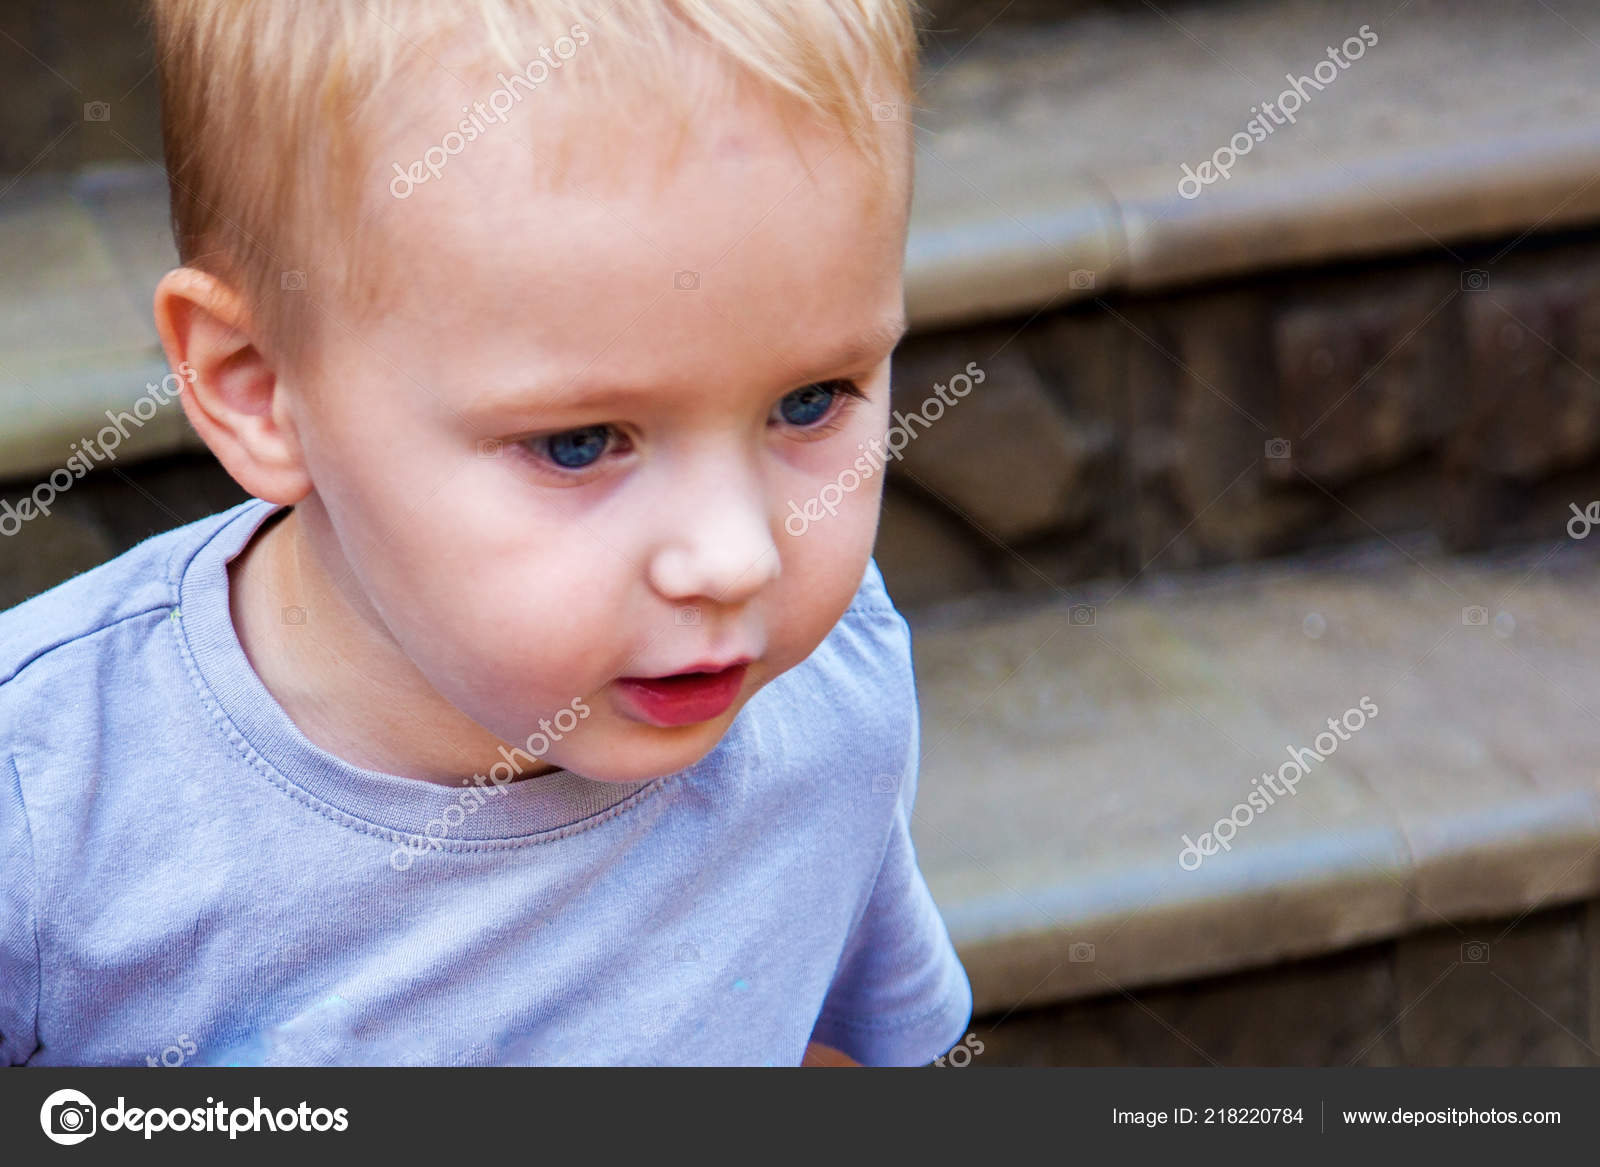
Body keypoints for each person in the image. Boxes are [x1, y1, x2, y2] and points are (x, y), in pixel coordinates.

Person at [0, 0, 972, 1066]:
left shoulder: (831, 688)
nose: (737, 559)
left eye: (809, 401)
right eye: (579, 444)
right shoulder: (45, 804)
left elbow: (831, 1043)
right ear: (260, 388)